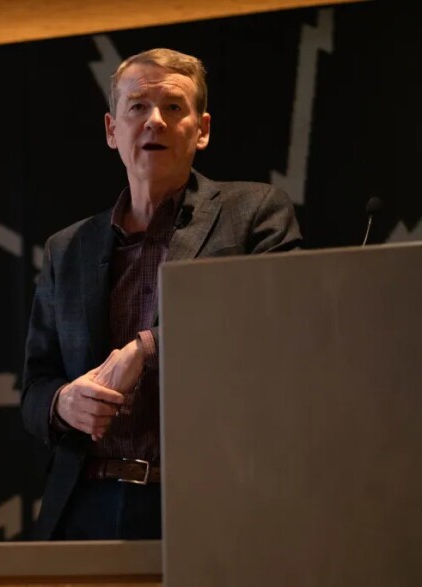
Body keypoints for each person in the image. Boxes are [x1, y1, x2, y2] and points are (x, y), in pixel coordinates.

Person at [22, 48, 302, 540]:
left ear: (203, 128)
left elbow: (277, 319)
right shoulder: (68, 249)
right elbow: (34, 387)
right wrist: (64, 402)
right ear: (112, 130)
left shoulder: (255, 211)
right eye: (137, 107)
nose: (154, 120)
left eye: (173, 108)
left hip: (211, 502)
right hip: (83, 506)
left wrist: (146, 349)